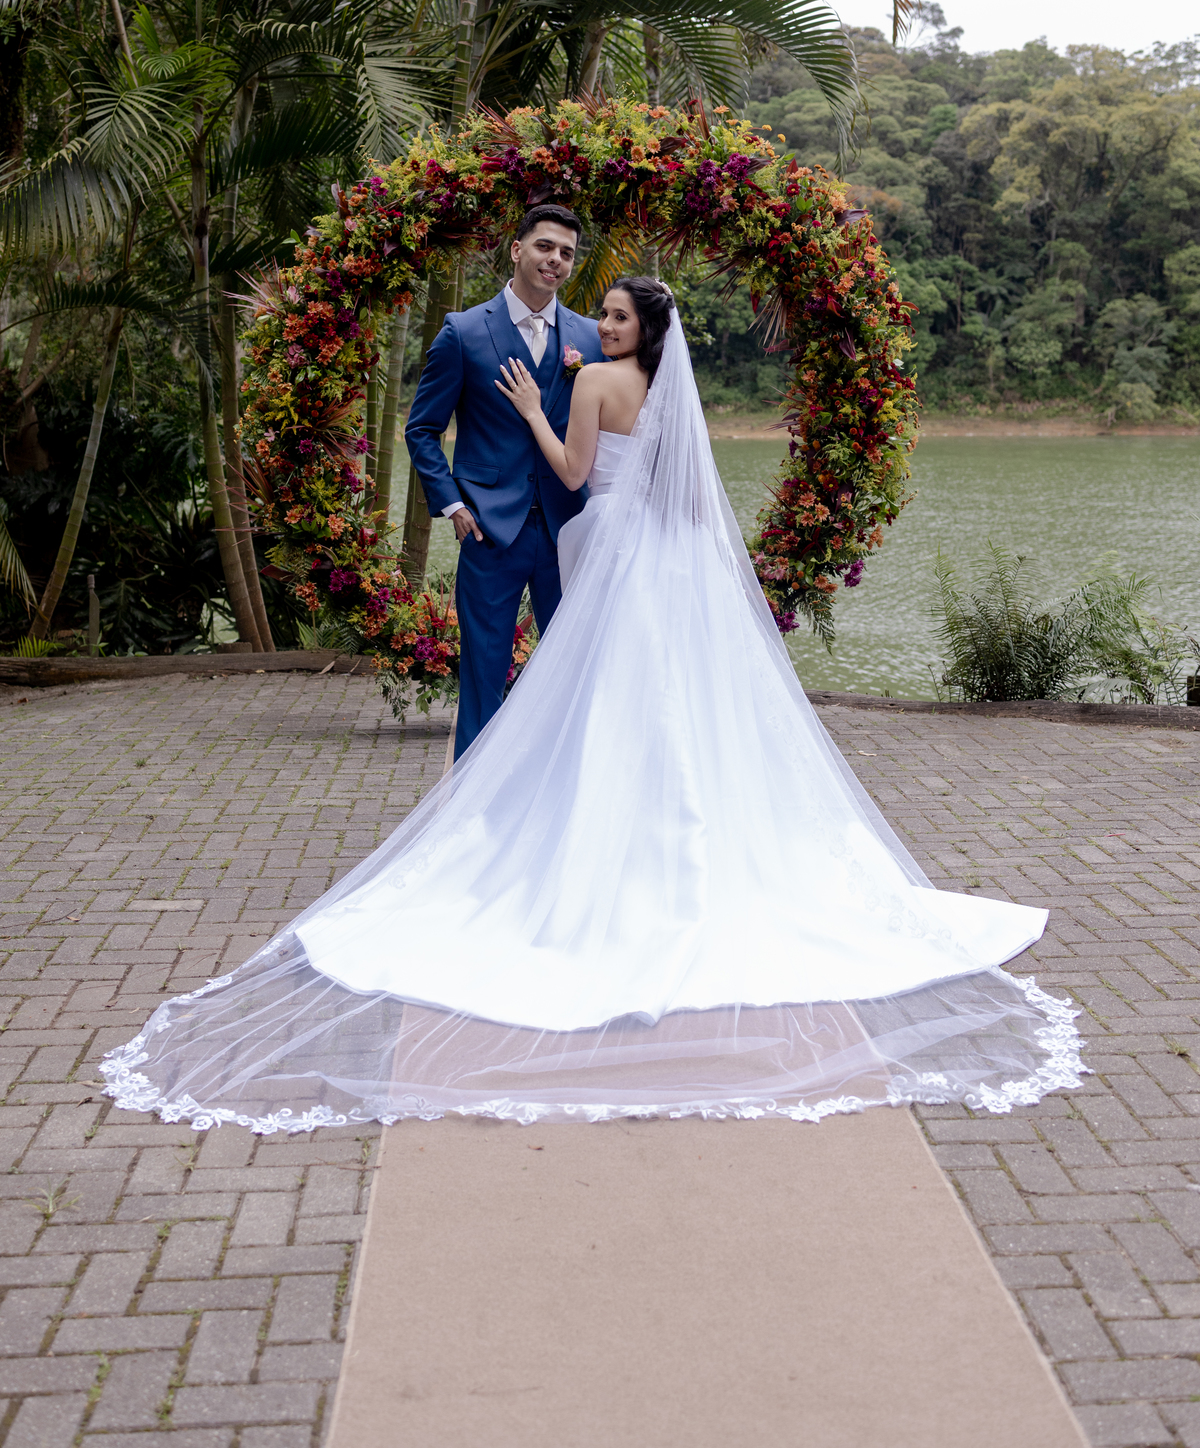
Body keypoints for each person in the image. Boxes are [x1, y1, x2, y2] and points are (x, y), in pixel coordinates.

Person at [100, 278, 1086, 1132]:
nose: (602, 327)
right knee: (675, 707)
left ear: (638, 331)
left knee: (602, 703)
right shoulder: (671, 397)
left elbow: (574, 475)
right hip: (670, 559)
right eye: (601, 316)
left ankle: (608, 846)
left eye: (615, 316)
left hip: (611, 552)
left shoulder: (592, 383)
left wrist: (534, 404)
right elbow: (693, 506)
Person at [403, 204, 605, 758]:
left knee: (575, 669)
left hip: (570, 528)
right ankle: (474, 809)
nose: (556, 261)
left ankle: (564, 790)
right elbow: (422, 430)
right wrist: (450, 505)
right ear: (517, 250)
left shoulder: (590, 339)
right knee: (484, 670)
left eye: (566, 253)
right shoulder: (463, 331)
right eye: (545, 247)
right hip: (489, 528)